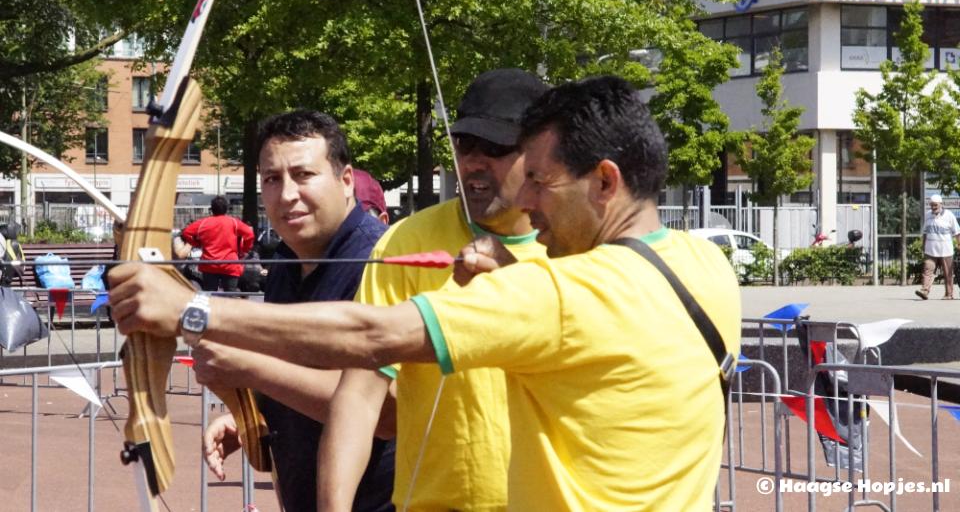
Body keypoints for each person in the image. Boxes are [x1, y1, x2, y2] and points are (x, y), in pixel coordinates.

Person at [108, 76, 742, 510]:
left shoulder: (564, 290)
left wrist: (190, 310)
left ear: (604, 182)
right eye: (465, 146)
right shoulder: (704, 265)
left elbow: (371, 334)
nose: (526, 197)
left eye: (540, 180)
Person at [320, 68, 548, 511]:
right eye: (464, 144)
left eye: (495, 148)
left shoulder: (577, 243)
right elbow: (359, 393)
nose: (474, 162)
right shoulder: (407, 240)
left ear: (541, 154)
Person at [194, 110, 395, 512]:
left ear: (346, 180)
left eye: (303, 175)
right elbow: (298, 374)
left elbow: (387, 412)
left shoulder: (382, 261)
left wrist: (249, 368)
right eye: (272, 179)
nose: (286, 194)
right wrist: (249, 417)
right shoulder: (287, 263)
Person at [179, 195, 254, 292]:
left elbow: (186, 232)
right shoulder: (234, 222)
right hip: (230, 264)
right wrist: (244, 250)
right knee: (230, 295)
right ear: (226, 209)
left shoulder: (203, 223)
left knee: (210, 295)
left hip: (209, 264)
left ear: (212, 209)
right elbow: (250, 234)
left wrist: (197, 243)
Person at [916, 194, 960, 300]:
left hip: (946, 250)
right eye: (931, 205)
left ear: (941, 204)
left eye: (935, 205)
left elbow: (957, 232)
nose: (933, 207)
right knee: (927, 270)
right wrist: (923, 245)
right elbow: (925, 232)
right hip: (930, 250)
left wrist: (959, 244)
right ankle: (924, 291)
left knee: (948, 273)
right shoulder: (928, 215)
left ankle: (949, 294)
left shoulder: (949, 215)